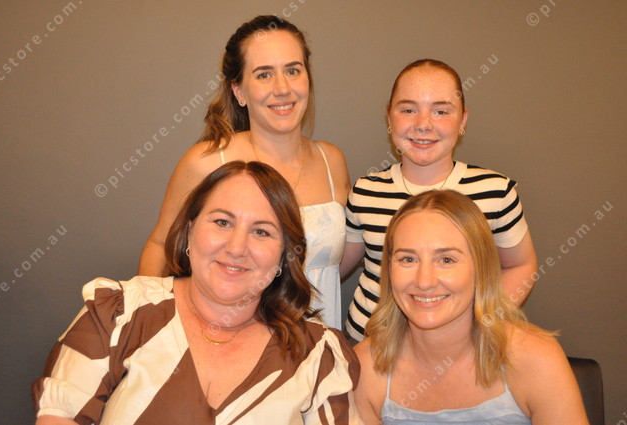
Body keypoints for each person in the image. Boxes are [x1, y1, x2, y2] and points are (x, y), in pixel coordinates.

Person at [33, 161, 361, 425]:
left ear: (284, 255)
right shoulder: (119, 314)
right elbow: (59, 416)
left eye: (261, 231)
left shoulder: (318, 355)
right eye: (222, 222)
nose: (237, 247)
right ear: (190, 231)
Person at [139, 15, 350, 329]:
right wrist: (147, 324)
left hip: (318, 343)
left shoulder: (332, 161)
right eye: (264, 74)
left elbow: (327, 266)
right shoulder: (207, 162)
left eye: (293, 70)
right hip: (225, 341)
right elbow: (160, 246)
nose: (282, 88)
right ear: (238, 90)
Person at [341, 59, 537, 342]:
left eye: (441, 111)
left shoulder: (496, 192)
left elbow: (521, 265)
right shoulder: (365, 192)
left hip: (459, 353)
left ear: (462, 120)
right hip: (366, 346)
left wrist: (480, 326)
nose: (423, 125)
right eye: (408, 110)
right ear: (389, 118)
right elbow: (333, 267)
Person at [353, 190, 588, 424]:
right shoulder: (364, 367)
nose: (424, 281)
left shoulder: (537, 361)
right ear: (389, 269)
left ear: (480, 268)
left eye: (446, 260)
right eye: (408, 259)